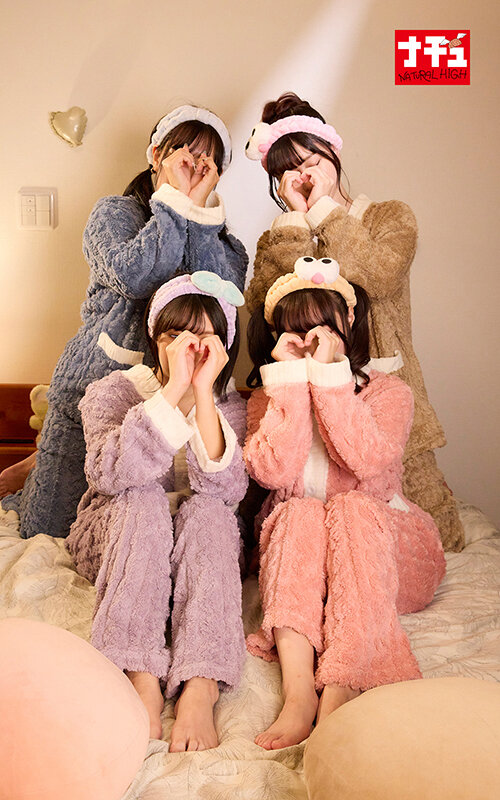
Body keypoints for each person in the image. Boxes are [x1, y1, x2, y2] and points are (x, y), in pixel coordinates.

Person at [1, 105, 248, 539]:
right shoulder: (113, 214)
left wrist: (198, 214)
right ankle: (37, 472)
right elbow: (136, 276)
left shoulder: (225, 243)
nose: (193, 166)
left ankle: (37, 467)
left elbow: (214, 299)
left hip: (173, 398)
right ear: (156, 155)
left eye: (206, 161)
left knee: (142, 513)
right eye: (184, 153)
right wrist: (173, 202)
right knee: (47, 529)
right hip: (94, 390)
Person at [244, 91, 464, 551]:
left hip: (388, 398)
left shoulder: (389, 217)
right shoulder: (281, 236)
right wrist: (296, 220)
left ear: (333, 151)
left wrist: (325, 210)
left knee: (436, 537)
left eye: (310, 160)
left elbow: (379, 275)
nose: (303, 175)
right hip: (310, 410)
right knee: (319, 521)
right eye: (287, 171)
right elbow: (266, 304)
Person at [244, 256, 446, 750]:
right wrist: (290, 384)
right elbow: (272, 472)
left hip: (387, 549)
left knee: (352, 508)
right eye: (297, 330)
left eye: (324, 326)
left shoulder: (388, 393)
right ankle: (298, 693)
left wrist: (331, 377)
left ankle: (347, 678)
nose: (312, 338)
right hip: (305, 558)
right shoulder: (267, 397)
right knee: (296, 511)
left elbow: (367, 460)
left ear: (348, 322)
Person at [66, 272, 248, 748]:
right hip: (118, 532)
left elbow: (228, 490)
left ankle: (202, 682)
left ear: (223, 347)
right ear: (155, 340)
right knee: (144, 496)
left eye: (204, 338)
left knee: (210, 513)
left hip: (195, 544)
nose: (189, 348)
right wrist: (172, 391)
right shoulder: (113, 390)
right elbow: (108, 474)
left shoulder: (230, 407)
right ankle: (137, 670)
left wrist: (202, 393)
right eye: (175, 336)